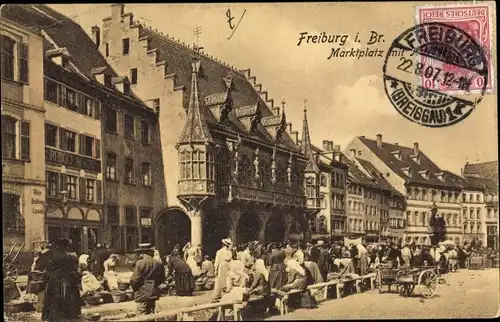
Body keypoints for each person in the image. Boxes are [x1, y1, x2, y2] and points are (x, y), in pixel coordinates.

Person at [42, 236, 82, 321]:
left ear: (56, 245)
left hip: (53, 279)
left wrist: (46, 278)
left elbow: (47, 268)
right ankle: (66, 315)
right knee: (64, 296)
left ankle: (50, 316)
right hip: (65, 279)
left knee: (52, 297)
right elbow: (73, 269)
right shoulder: (68, 257)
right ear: (65, 246)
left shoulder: (51, 255)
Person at [130, 244, 166, 315]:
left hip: (142, 292)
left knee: (142, 314)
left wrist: (135, 288)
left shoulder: (140, 263)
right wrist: (154, 285)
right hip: (153, 292)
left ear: (142, 253)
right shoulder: (158, 263)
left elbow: (135, 279)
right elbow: (162, 278)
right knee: (152, 314)